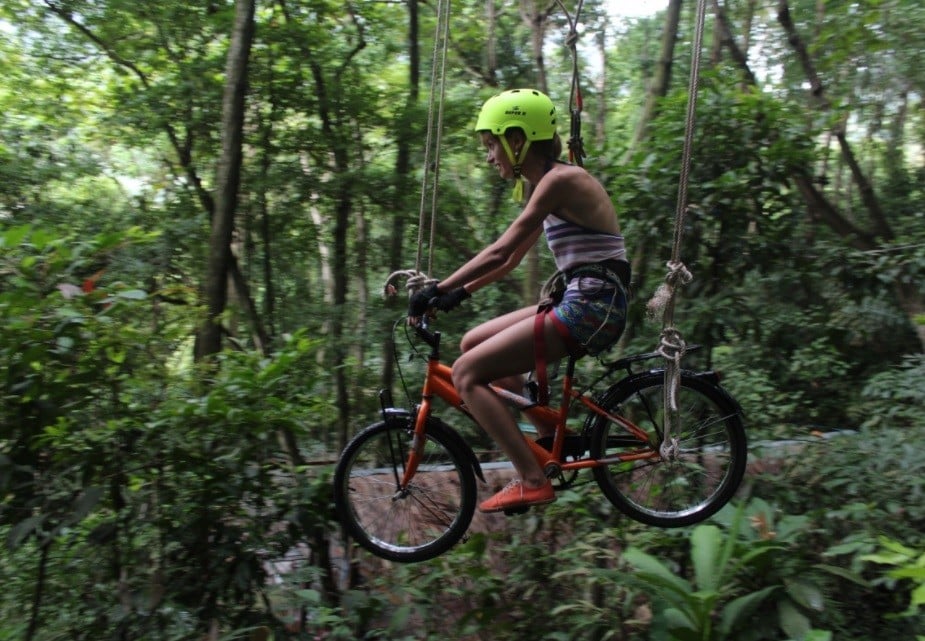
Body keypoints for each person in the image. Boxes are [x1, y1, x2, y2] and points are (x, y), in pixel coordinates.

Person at [408, 88, 630, 513]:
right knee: (472, 343)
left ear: (518, 138)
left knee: (469, 373)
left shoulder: (561, 181)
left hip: (592, 307)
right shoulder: (544, 187)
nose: (490, 156)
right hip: (582, 300)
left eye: (492, 144)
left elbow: (498, 249)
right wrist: (457, 294)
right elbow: (510, 261)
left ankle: (531, 478)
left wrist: (435, 289)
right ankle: (545, 431)